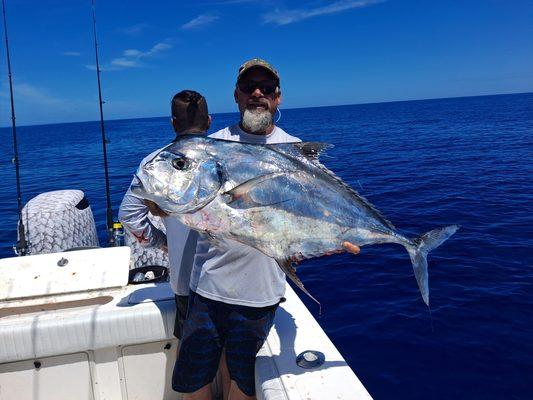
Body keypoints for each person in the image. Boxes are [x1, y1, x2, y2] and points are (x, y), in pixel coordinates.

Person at [172, 59, 360, 400]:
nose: (258, 93)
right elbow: (178, 196)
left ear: (278, 98)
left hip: (261, 295)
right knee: (194, 384)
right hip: (207, 289)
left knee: (243, 386)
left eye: (267, 88)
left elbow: (309, 214)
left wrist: (326, 238)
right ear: (236, 96)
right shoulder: (211, 148)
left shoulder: (296, 150)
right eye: (249, 87)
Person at [119, 90, 210, 340]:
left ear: (173, 123)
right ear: (210, 121)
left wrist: (162, 243)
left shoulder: (155, 163)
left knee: (193, 360)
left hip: (184, 281)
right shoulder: (224, 159)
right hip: (228, 281)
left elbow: (128, 215)